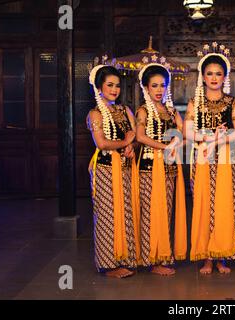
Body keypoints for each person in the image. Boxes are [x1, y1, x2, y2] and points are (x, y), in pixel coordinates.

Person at [184, 42, 235, 274]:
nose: (214, 77)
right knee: (203, 203)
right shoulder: (194, 103)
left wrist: (220, 139)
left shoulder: (232, 103)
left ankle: (222, 256)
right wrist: (210, 137)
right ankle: (207, 257)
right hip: (202, 157)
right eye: (210, 73)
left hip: (226, 158)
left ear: (225, 76)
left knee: (224, 204)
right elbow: (188, 133)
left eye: (219, 73)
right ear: (203, 77)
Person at [86, 63, 140, 278]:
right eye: (110, 85)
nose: (114, 90)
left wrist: (130, 146)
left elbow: (134, 137)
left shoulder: (124, 110)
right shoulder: (95, 113)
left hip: (126, 168)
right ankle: (108, 265)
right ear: (99, 87)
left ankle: (125, 258)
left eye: (117, 85)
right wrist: (124, 141)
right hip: (105, 170)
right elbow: (101, 143)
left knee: (126, 213)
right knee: (108, 215)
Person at [135, 61, 187, 276]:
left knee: (166, 211)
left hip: (169, 166)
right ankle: (149, 258)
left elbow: (184, 135)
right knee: (149, 211)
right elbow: (140, 136)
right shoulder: (143, 111)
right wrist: (165, 146)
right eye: (154, 86)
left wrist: (176, 145)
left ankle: (162, 255)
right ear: (146, 88)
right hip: (148, 166)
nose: (159, 90)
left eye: (162, 85)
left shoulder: (172, 111)